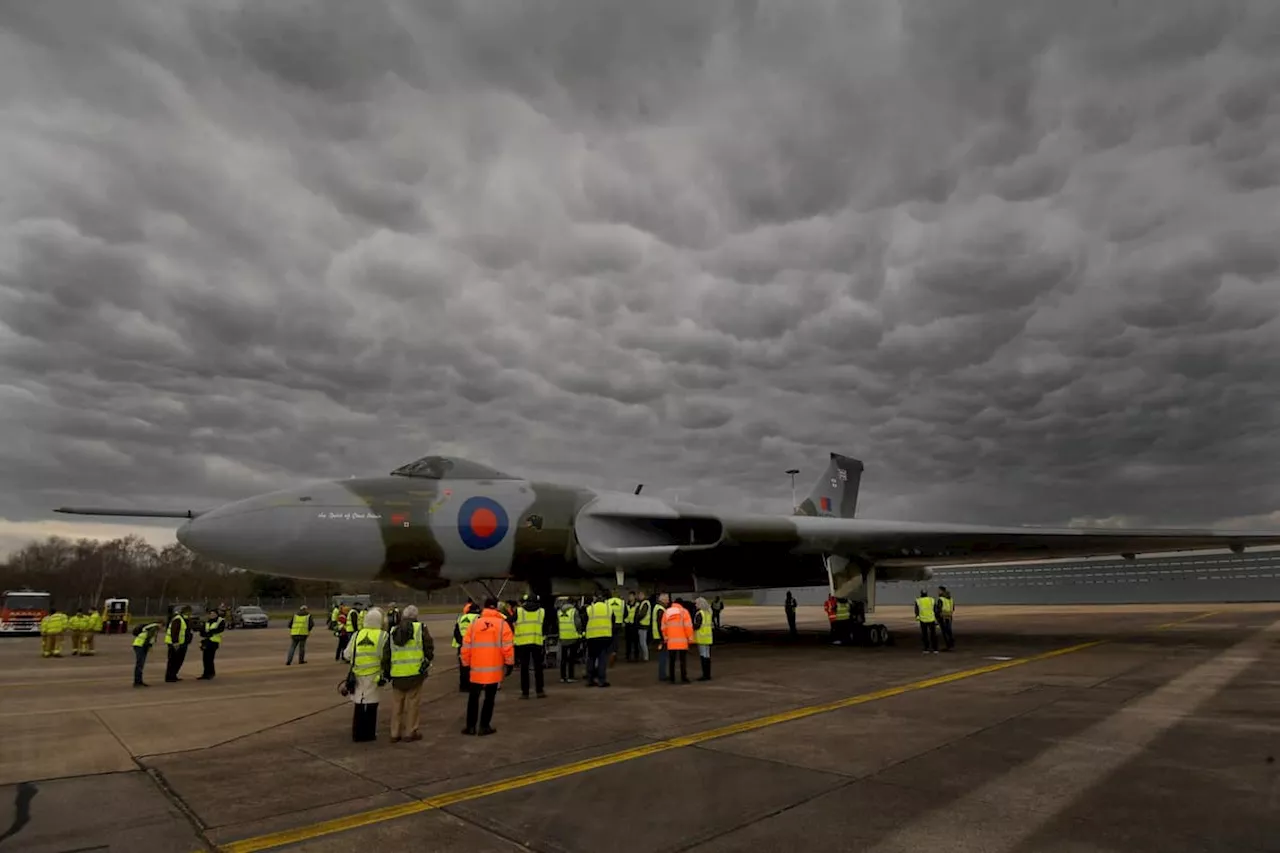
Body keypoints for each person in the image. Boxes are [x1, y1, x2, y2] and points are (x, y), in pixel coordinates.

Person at [460, 597, 514, 736]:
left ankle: (470, 727)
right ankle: (484, 726)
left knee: (473, 698)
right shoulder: (502, 624)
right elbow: (507, 647)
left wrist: (465, 664)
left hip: (476, 669)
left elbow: (466, 646)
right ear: (496, 607)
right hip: (494, 670)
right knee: (489, 699)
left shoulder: (475, 624)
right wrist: (509, 663)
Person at [382, 605, 433, 743]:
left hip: (397, 674)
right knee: (413, 705)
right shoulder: (420, 628)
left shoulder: (393, 631)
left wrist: (387, 672)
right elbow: (428, 647)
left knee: (397, 705)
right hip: (415, 673)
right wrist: (427, 661)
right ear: (416, 616)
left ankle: (394, 733)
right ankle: (410, 731)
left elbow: (386, 653)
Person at [343, 606, 387, 742]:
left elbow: (346, 654)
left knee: (359, 703)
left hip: (357, 673)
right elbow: (385, 656)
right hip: (374, 674)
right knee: (372, 705)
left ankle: (357, 733)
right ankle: (369, 734)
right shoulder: (383, 635)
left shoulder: (357, 635)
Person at [513, 594, 547, 699]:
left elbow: (510, 621)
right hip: (537, 642)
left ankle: (525, 692)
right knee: (538, 667)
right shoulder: (541, 611)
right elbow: (545, 626)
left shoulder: (519, 611)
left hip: (522, 643)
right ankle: (539, 691)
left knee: (524, 669)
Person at [583, 591, 613, 688]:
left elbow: (584, 622)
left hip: (591, 637)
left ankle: (590, 680)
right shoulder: (609, 608)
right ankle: (601, 680)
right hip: (605, 637)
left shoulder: (590, 609)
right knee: (602, 659)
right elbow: (613, 621)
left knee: (591, 659)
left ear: (595, 598)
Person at [661, 597, 693, 684]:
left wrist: (665, 637)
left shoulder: (667, 612)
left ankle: (672, 678)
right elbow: (688, 626)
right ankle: (683, 677)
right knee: (683, 661)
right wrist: (690, 638)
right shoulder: (684, 612)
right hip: (682, 642)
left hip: (671, 642)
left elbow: (663, 626)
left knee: (672, 661)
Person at [452, 601, 480, 692]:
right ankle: (473, 685)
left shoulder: (461, 618)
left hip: (463, 645)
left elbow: (456, 632)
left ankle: (463, 686)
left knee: (463, 666)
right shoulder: (478, 618)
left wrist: (461, 642)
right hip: (474, 645)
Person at [164, 605, 192, 682]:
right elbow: (174, 632)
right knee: (173, 660)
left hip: (183, 643)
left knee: (179, 660)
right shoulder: (178, 619)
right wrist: (175, 642)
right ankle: (169, 676)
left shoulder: (186, 620)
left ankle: (173, 675)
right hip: (175, 644)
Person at [557, 598, 582, 683]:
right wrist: (579, 633)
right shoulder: (574, 611)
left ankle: (562, 677)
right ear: (573, 603)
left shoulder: (559, 612)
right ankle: (571, 676)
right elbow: (578, 623)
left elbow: (557, 624)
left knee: (563, 659)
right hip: (572, 637)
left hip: (563, 637)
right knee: (571, 658)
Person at [131, 620, 162, 687]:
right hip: (140, 645)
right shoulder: (154, 628)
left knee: (140, 664)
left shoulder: (150, 627)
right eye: (162, 626)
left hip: (139, 644)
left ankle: (138, 681)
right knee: (140, 664)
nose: (161, 628)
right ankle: (137, 682)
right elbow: (149, 638)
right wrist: (148, 647)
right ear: (160, 624)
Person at [197, 606, 225, 679]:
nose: (212, 615)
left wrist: (209, 633)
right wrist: (206, 633)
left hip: (213, 642)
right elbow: (202, 631)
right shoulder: (207, 621)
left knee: (210, 658)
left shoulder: (220, 621)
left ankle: (210, 673)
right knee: (205, 658)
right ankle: (206, 673)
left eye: (213, 614)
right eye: (211, 614)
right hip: (206, 641)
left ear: (216, 614)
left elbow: (219, 630)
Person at [693, 596, 714, 681]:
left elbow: (697, 625)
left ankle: (705, 675)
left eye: (696, 603)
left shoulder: (700, 613)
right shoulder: (708, 612)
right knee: (707, 655)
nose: (695, 605)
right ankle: (707, 674)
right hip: (708, 637)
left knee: (703, 656)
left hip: (701, 637)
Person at [915, 589, 938, 654]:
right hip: (931, 619)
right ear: (927, 593)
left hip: (923, 620)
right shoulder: (932, 600)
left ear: (921, 594)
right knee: (933, 634)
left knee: (924, 635)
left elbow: (916, 610)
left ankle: (926, 649)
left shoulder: (918, 600)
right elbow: (935, 610)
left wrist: (917, 617)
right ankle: (935, 649)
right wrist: (937, 619)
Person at [652, 593, 669, 681]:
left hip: (658, 635)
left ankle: (662, 674)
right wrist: (663, 638)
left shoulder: (658, 608)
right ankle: (662, 675)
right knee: (663, 656)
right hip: (660, 637)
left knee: (663, 656)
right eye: (667, 599)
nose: (668, 601)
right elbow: (660, 625)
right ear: (663, 600)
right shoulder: (660, 609)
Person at [635, 593, 652, 662]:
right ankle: (645, 656)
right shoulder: (644, 603)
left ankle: (646, 657)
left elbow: (642, 613)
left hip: (643, 625)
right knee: (642, 642)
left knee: (643, 642)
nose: (639, 596)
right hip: (643, 624)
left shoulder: (645, 603)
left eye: (640, 595)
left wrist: (637, 618)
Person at [937, 586, 955, 651]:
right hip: (949, 617)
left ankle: (948, 646)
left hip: (943, 617)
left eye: (939, 590)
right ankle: (951, 644)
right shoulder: (951, 599)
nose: (938, 592)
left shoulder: (941, 599)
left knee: (945, 632)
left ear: (942, 591)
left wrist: (938, 618)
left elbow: (938, 609)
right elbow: (953, 608)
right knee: (949, 631)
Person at [623, 592, 639, 662]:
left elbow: (638, 614)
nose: (630, 597)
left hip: (635, 625)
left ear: (634, 597)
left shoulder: (637, 604)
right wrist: (625, 621)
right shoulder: (626, 605)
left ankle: (636, 656)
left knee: (635, 642)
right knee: (628, 642)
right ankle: (628, 656)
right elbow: (624, 614)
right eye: (629, 596)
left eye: (631, 596)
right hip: (628, 625)